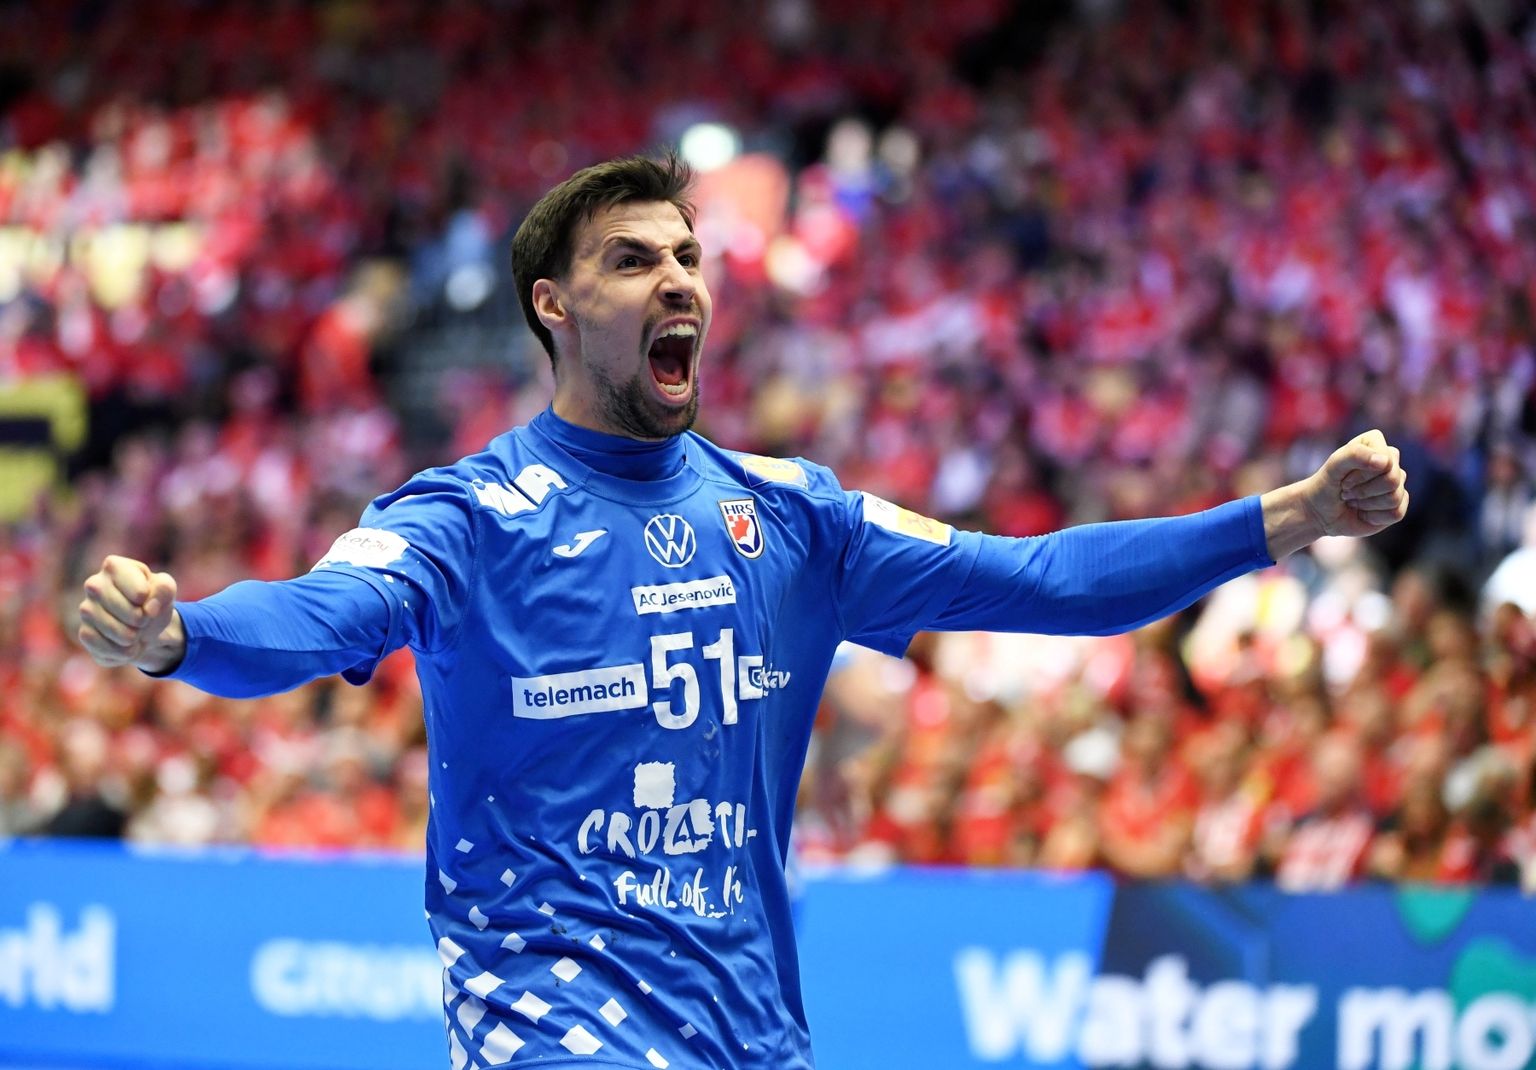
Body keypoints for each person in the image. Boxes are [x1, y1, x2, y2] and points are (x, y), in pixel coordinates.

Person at [78, 154, 1410, 1070]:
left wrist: (1282, 518)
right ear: (552, 306)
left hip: (748, 1025)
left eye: (688, 257)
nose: (679, 281)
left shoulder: (795, 518)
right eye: (631, 260)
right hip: (548, 1015)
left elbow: (1046, 580)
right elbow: (320, 613)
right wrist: (182, 634)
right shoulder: (469, 517)